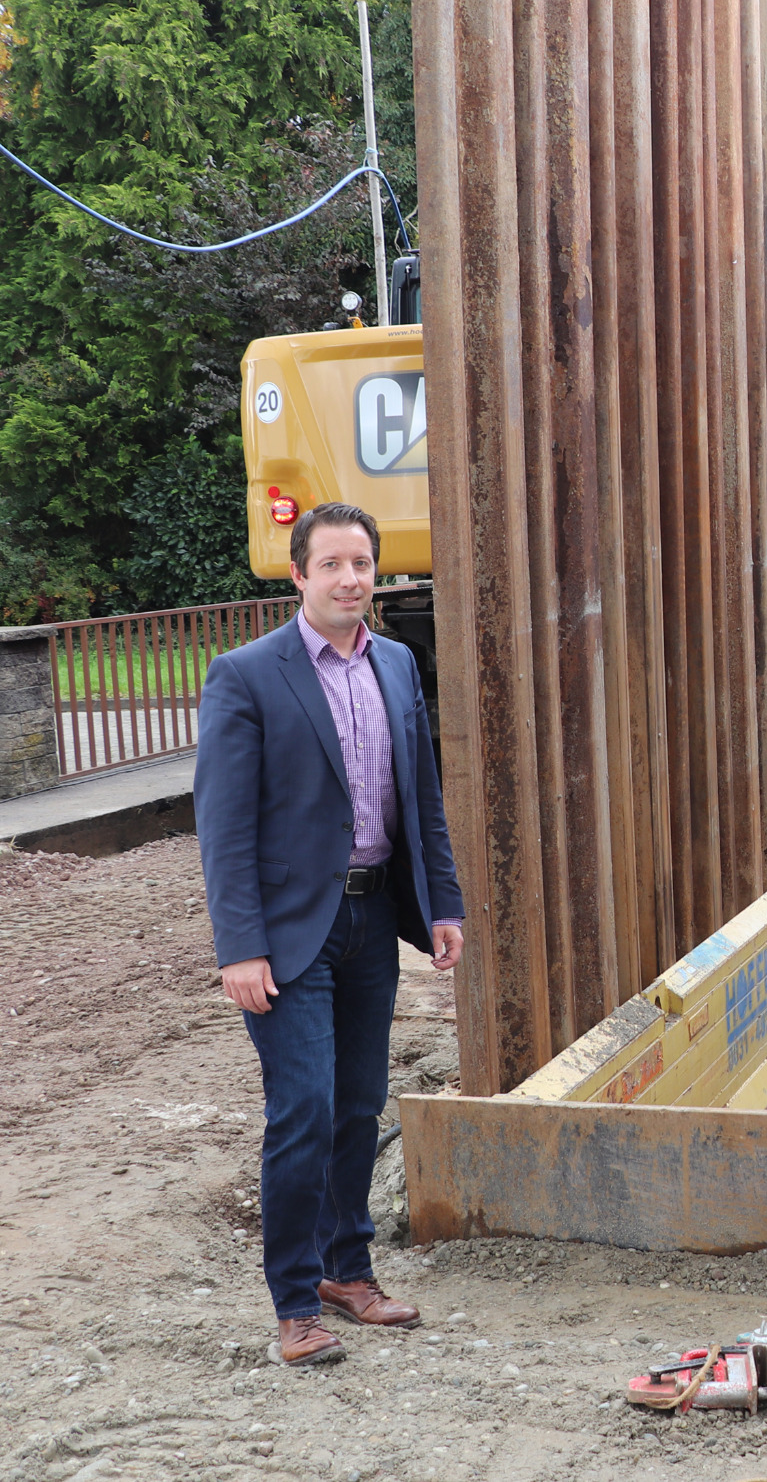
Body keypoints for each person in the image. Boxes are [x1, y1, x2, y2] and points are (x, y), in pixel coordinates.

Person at [195, 502, 464, 1367]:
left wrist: (444, 904)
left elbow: (421, 796)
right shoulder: (246, 675)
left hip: (373, 915)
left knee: (356, 1105)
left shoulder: (396, 662)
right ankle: (295, 1302)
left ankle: (351, 1272)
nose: (352, 578)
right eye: (333, 564)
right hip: (285, 933)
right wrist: (239, 946)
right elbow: (224, 826)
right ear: (297, 571)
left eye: (363, 563)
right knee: (303, 1108)